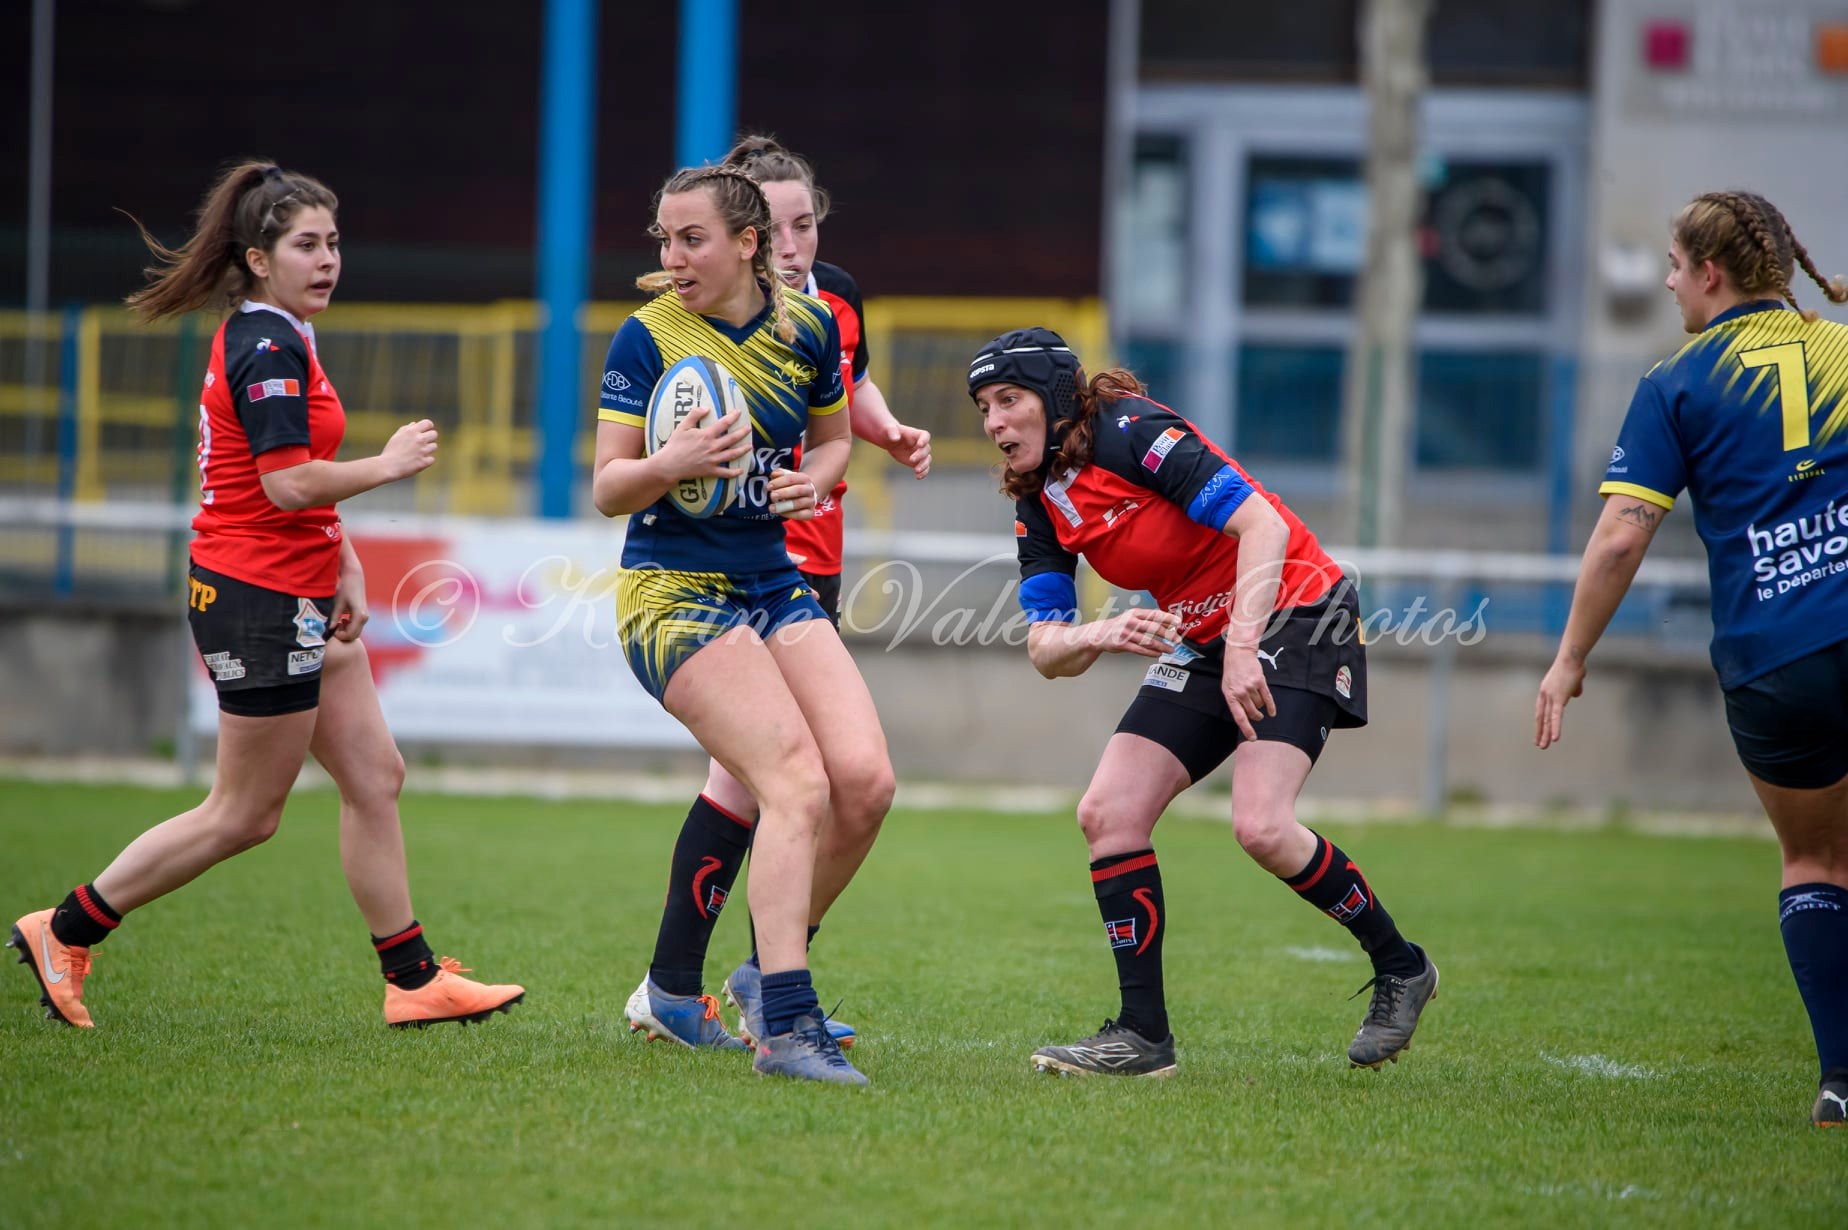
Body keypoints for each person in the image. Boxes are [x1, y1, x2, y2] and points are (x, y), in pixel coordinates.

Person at [6, 160, 524, 1030]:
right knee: (244, 814)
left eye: (334, 243)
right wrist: (387, 466)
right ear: (257, 259)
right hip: (257, 596)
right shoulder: (266, 345)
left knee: (375, 776)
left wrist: (344, 561)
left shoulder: (285, 333)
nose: (328, 261)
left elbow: (285, 484)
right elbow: (286, 486)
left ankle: (412, 980)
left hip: (299, 585)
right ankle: (64, 929)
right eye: (306, 246)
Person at [968, 327, 1438, 1077]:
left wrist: (1243, 648)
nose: (994, 422)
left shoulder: (1131, 431)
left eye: (1008, 400)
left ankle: (1402, 965)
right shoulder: (1040, 500)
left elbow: (1263, 524)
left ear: (1056, 398)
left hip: (1297, 610)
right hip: (1206, 636)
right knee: (1107, 813)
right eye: (984, 407)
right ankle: (1142, 1037)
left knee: (1262, 826)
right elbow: (1046, 651)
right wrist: (1101, 630)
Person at [1536, 190, 1848, 1128]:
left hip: (1777, 657)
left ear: (1711, 273)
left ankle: (1841, 1080)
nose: (1669, 284)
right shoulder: (1840, 350)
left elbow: (1621, 538)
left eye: (1675, 266)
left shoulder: (1677, 382)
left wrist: (1570, 658)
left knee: (1815, 859)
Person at [621, 135, 930, 1055]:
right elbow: (608, 484)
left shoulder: (818, 319)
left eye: (805, 224)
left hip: (784, 576)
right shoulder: (655, 332)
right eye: (669, 240)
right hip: (682, 585)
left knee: (859, 784)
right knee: (779, 781)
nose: (792, 242)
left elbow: (837, 428)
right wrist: (671, 462)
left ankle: (745, 976)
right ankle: (766, 1007)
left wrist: (832, 470)